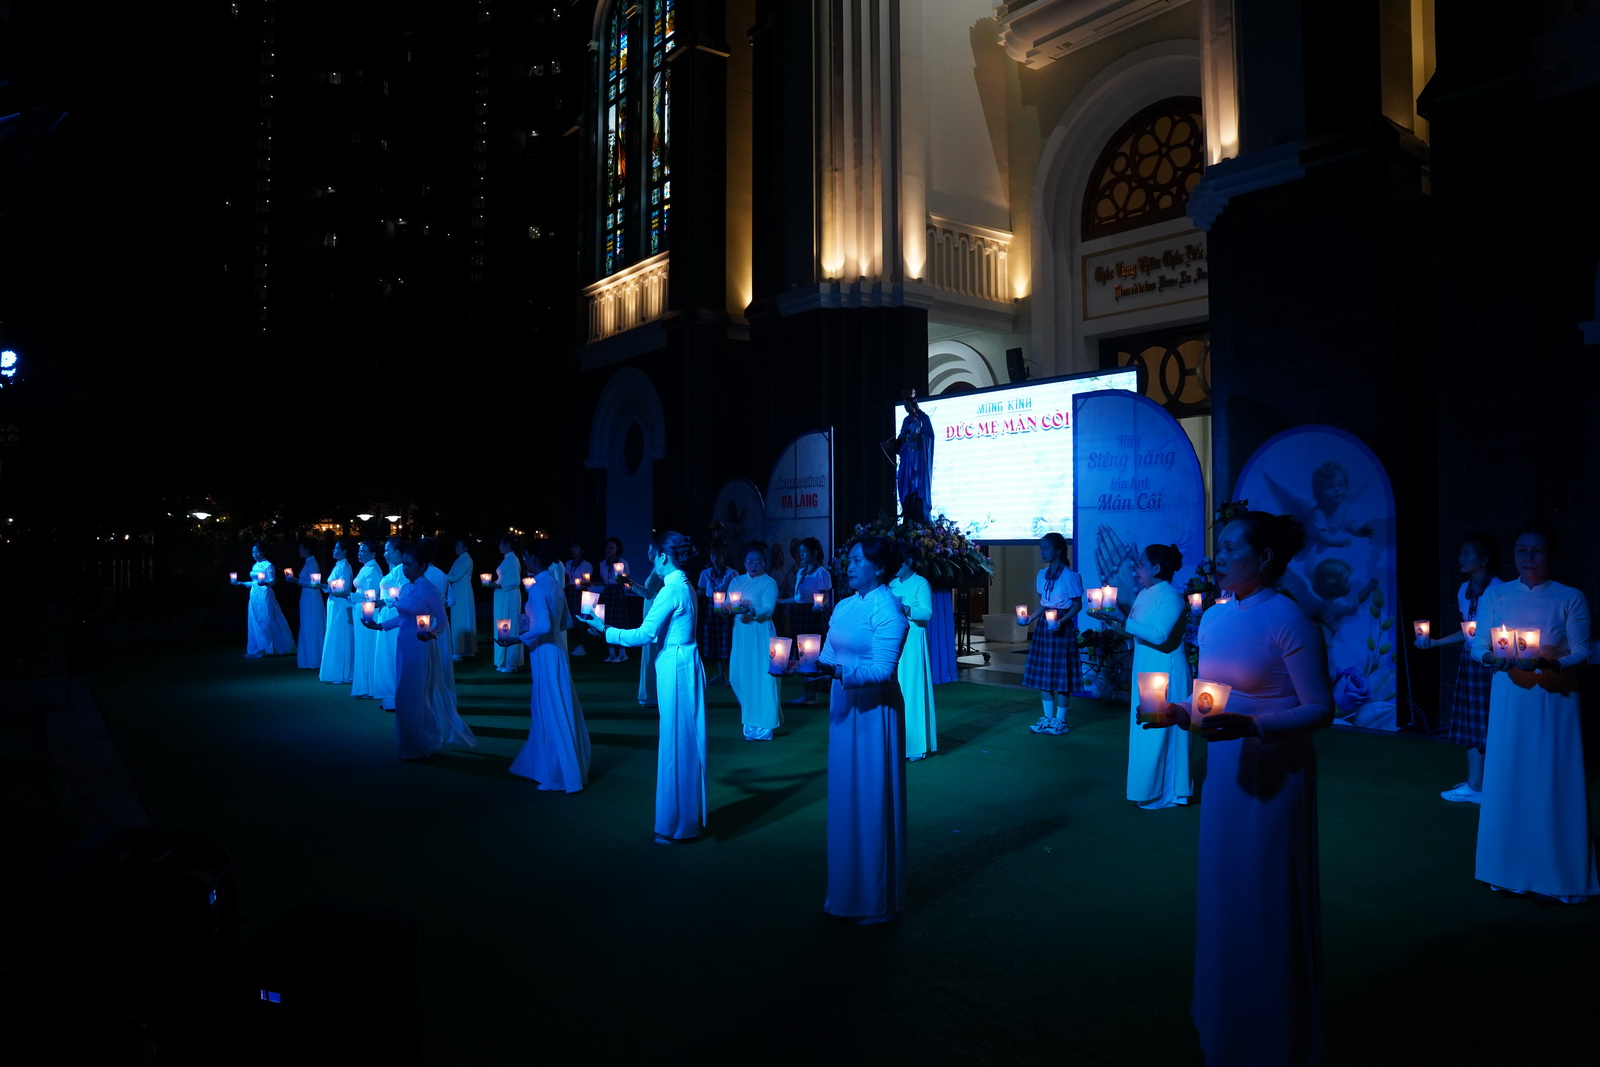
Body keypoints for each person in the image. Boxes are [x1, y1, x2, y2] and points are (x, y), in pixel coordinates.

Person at [1150, 512, 1332, 1067]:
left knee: (1267, 894)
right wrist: (1177, 711)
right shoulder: (1214, 617)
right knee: (1226, 887)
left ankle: (1273, 1032)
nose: (1220, 556)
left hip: (1276, 775)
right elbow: (1211, 696)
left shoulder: (1290, 620)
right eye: (1220, 546)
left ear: (1266, 557)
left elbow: (1320, 708)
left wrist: (1255, 726)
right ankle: (1224, 1013)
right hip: (1226, 773)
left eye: (1232, 547)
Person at [1469, 524, 1595, 902]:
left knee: (1551, 776)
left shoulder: (1569, 597)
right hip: (1510, 696)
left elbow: (1583, 650)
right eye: (1522, 550)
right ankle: (1506, 869)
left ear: (1550, 556)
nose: (1528, 557)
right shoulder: (1497, 595)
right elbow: (1479, 645)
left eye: (1537, 550)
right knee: (1510, 774)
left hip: (1553, 698)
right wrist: (1492, 658)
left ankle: (1558, 875)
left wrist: (1552, 663)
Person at [580, 531, 707, 843]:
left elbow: (644, 635)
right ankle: (684, 818)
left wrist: (605, 630)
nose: (652, 563)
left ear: (663, 557)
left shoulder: (671, 589)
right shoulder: (685, 585)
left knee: (676, 742)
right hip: (686, 662)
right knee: (684, 739)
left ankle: (676, 824)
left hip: (676, 666)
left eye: (654, 558)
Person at [812, 535, 909, 923]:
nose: (848, 566)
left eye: (856, 560)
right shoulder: (844, 605)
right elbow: (826, 655)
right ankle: (844, 894)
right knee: (844, 797)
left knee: (871, 798)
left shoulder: (889, 610)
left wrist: (837, 672)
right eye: (848, 559)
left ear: (879, 567)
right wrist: (802, 665)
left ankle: (874, 901)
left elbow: (884, 671)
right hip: (843, 709)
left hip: (874, 713)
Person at [1092, 543, 1192, 808]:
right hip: (1147, 665)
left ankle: (1167, 793)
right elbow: (1135, 632)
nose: (1136, 569)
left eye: (1141, 564)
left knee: (1162, 729)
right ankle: (1150, 790)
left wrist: (1123, 619)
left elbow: (1159, 635)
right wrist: (1111, 619)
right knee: (1147, 729)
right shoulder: (1145, 594)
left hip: (1165, 668)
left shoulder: (1170, 596)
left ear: (1156, 568)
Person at [363, 543, 477, 760]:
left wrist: (432, 633)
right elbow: (403, 617)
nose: (405, 568)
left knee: (416, 694)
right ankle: (408, 743)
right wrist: (380, 626)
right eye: (404, 564)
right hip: (404, 645)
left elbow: (442, 620)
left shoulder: (429, 590)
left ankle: (421, 742)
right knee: (403, 694)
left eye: (410, 564)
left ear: (423, 566)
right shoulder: (406, 588)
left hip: (420, 646)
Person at [1414, 534, 1501, 802]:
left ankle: (1481, 785)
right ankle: (1477, 782)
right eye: (1461, 553)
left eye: (1467, 553)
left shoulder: (1498, 589)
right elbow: (1470, 631)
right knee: (1472, 722)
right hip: (1470, 660)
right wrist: (1436, 642)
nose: (1461, 558)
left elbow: (1496, 631)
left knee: (1486, 721)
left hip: (1491, 662)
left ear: (1484, 559)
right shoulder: (1464, 589)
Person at [502, 544, 590, 792]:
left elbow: (543, 627)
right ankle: (561, 767)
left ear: (532, 558)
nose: (525, 560)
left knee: (549, 708)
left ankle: (556, 773)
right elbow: (566, 622)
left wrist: (518, 638)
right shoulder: (554, 583)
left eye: (526, 557)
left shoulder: (539, 587)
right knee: (558, 705)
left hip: (545, 652)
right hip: (556, 651)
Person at [1018, 532, 1083, 735]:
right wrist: (1031, 618)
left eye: (1046, 549)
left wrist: (1062, 621)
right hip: (1045, 626)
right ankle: (1047, 718)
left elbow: (1077, 604)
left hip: (1061, 626)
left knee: (1062, 674)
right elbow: (1044, 604)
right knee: (1044, 673)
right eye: (1041, 549)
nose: (1043, 552)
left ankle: (1060, 720)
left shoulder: (1069, 576)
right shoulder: (1041, 575)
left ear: (1058, 551)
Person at [729, 541, 781, 740]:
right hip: (742, 633)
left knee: (761, 677)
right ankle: (752, 715)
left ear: (764, 564)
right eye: (750, 561)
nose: (754, 565)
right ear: (744, 563)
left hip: (760, 632)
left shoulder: (768, 582)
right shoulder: (736, 581)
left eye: (758, 562)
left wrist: (750, 609)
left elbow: (768, 609)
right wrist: (726, 609)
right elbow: (729, 605)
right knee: (738, 675)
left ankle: (763, 725)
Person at [889, 549, 937, 761]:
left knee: (913, 687)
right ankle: (897, 741)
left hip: (914, 639)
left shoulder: (920, 583)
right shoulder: (892, 584)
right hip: (896, 637)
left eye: (899, 563)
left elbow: (927, 613)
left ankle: (916, 744)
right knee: (897, 687)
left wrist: (906, 608)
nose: (895, 567)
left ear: (909, 562)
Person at [785, 537, 834, 707]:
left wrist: (818, 606)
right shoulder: (801, 571)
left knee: (813, 654)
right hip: (801, 613)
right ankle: (806, 693)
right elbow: (798, 598)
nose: (802, 555)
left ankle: (813, 694)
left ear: (815, 553)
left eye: (804, 551)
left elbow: (824, 597)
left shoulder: (821, 573)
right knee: (802, 654)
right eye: (800, 552)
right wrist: (780, 602)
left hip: (814, 615)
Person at [232, 543, 295, 658]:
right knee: (254, 620)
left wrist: (264, 583)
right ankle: (257, 648)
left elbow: (272, 581)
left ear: (263, 552)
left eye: (257, 552)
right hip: (254, 594)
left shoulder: (268, 565)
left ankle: (277, 646)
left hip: (265, 593)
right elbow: (254, 583)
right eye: (253, 552)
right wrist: (240, 583)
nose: (255, 554)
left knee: (267, 619)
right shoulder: (255, 565)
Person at [374, 536, 411, 710]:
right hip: (388, 613)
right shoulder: (395, 569)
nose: (385, 553)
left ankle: (395, 697)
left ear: (397, 551)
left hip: (394, 614)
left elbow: (406, 593)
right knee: (387, 654)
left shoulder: (402, 570)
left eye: (388, 550)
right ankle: (389, 697)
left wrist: (385, 601)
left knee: (390, 655)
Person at [318, 537, 356, 684]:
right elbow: (332, 587)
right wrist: (321, 586)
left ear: (344, 551)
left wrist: (333, 589)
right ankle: (334, 671)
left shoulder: (345, 567)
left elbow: (344, 589)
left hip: (341, 604)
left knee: (340, 635)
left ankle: (342, 673)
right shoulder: (337, 566)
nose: (333, 551)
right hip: (334, 603)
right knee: (333, 634)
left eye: (337, 548)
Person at [349, 540, 384, 698]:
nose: (360, 553)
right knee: (361, 646)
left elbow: (372, 595)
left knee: (366, 647)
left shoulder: (373, 570)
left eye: (364, 551)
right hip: (360, 608)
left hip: (367, 610)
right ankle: (363, 685)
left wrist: (351, 595)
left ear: (373, 553)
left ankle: (369, 686)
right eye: (359, 550)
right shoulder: (366, 568)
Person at [696, 545, 735, 685]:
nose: (715, 558)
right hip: (711, 607)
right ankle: (721, 674)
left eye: (718, 555)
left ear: (724, 557)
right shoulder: (705, 573)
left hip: (727, 607)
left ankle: (732, 676)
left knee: (727, 642)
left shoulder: (731, 573)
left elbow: (736, 593)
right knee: (715, 641)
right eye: (713, 555)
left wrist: (729, 608)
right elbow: (701, 591)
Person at [291, 539, 325, 670]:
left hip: (311, 596)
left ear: (306, 549)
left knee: (311, 624)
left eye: (301, 548)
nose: (299, 550)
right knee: (307, 624)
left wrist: (296, 580)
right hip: (306, 596)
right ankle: (308, 658)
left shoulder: (312, 564)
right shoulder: (308, 562)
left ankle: (314, 658)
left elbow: (313, 584)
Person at [492, 535, 524, 673]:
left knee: (508, 624)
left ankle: (510, 662)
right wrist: (494, 583)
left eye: (501, 544)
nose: (499, 546)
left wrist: (498, 585)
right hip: (503, 596)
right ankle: (504, 660)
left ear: (507, 545)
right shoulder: (508, 559)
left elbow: (516, 580)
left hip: (509, 596)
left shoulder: (512, 559)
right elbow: (505, 578)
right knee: (503, 623)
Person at [599, 536, 632, 663]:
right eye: (607, 547)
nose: (609, 550)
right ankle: (611, 653)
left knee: (619, 622)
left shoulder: (623, 563)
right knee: (608, 621)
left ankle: (623, 653)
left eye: (612, 547)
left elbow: (626, 579)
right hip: (607, 592)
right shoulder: (603, 563)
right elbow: (603, 579)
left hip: (618, 592)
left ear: (617, 549)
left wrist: (622, 579)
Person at [446, 537, 478, 661]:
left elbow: (456, 577)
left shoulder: (467, 560)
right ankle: (463, 649)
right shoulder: (460, 559)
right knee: (459, 618)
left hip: (463, 592)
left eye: (459, 546)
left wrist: (440, 577)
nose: (456, 548)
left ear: (465, 548)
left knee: (463, 618)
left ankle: (462, 650)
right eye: (456, 545)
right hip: (458, 591)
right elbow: (451, 575)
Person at [565, 541, 595, 657]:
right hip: (571, 591)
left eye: (577, 548)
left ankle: (581, 645)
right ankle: (576, 644)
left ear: (582, 551)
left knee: (581, 618)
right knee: (572, 618)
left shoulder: (586, 564)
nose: (574, 550)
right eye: (572, 548)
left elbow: (587, 581)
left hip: (581, 592)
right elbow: (568, 579)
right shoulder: (569, 563)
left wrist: (582, 583)